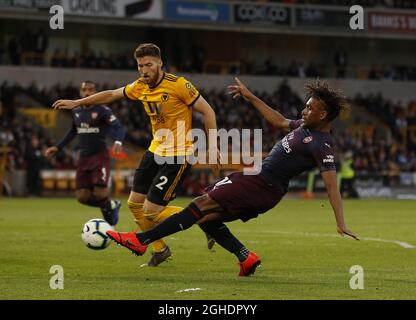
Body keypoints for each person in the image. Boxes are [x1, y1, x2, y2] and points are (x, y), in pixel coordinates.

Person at [106, 78, 359, 277]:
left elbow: (331, 186)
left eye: (310, 108)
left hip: (262, 185)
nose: (304, 110)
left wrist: (341, 222)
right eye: (306, 105)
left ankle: (141, 241)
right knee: (206, 217)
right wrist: (250, 97)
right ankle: (245, 257)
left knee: (199, 207)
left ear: (323, 115)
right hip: (257, 180)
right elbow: (280, 120)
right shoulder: (304, 128)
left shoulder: (321, 145)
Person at [52, 43, 219, 267]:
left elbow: (208, 111)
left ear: (160, 63)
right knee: (134, 205)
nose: (144, 70)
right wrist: (78, 103)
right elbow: (111, 94)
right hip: (154, 150)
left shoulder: (179, 85)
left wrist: (213, 146)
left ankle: (206, 219)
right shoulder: (140, 86)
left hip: (178, 155)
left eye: (148, 65)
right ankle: (160, 249)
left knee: (152, 211)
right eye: (140, 66)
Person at [45, 81, 125, 225]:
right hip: (84, 159)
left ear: (95, 93)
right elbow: (73, 131)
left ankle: (110, 226)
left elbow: (119, 128)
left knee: (100, 194)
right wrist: (58, 147)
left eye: (90, 90)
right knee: (82, 197)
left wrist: (118, 141)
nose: (87, 93)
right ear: (80, 93)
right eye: (84, 90)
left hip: (100, 157)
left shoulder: (103, 110)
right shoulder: (77, 111)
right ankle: (111, 205)